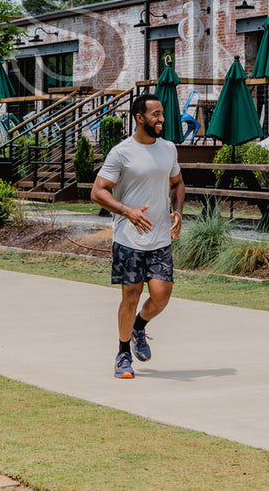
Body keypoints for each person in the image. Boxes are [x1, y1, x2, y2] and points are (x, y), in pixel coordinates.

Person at [91, 94, 185, 380]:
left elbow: (178, 183)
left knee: (161, 295)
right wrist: (127, 211)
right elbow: (98, 191)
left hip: (159, 237)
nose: (161, 119)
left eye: (162, 113)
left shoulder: (168, 149)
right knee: (131, 295)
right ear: (139, 117)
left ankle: (139, 327)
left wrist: (178, 211)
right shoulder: (121, 153)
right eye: (155, 114)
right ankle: (122, 354)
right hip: (129, 238)